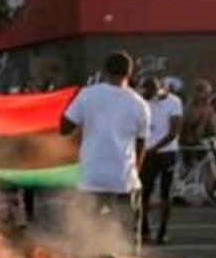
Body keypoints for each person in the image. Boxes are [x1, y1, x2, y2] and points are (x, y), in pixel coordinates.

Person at [60, 51, 150, 231]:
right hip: (123, 180)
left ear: (104, 71)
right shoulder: (140, 104)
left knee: (84, 232)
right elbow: (141, 146)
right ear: (130, 73)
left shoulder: (87, 95)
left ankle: (86, 255)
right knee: (125, 236)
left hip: (91, 177)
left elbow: (64, 128)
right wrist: (135, 171)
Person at [139, 77, 183, 244]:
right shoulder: (142, 102)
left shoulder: (173, 102)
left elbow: (174, 132)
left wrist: (154, 148)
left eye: (150, 93)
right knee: (144, 192)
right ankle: (144, 230)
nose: (147, 96)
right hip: (147, 153)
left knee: (165, 193)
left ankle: (162, 231)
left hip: (166, 152)